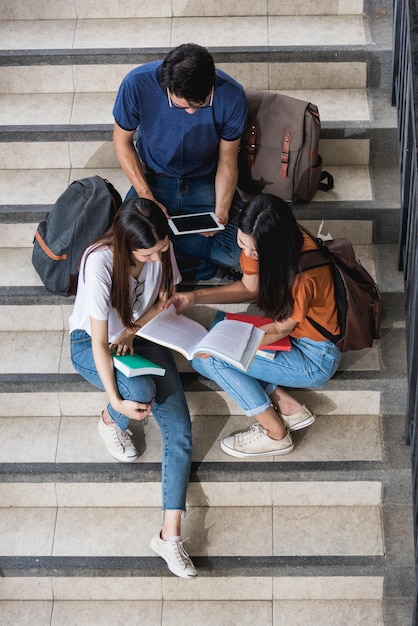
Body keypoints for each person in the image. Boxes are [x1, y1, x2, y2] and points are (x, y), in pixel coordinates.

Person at [69, 197, 197, 578]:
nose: (159, 258)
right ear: (128, 246)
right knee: (138, 392)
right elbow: (96, 342)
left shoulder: (162, 247)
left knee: (181, 431)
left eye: (162, 249)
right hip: (93, 345)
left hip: (143, 335)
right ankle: (110, 422)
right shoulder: (101, 261)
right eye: (151, 252)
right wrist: (115, 402)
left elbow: (161, 300)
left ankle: (169, 536)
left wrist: (133, 329)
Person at [166, 194, 342, 458]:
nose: (247, 254)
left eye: (255, 252)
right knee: (202, 358)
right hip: (292, 336)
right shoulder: (259, 241)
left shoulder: (304, 273)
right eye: (242, 243)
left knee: (212, 360)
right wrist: (195, 297)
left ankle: (275, 434)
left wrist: (227, 346)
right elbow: (250, 287)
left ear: (276, 245)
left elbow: (281, 328)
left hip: (315, 357)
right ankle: (288, 406)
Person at [112, 42, 248, 281]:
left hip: (206, 181)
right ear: (167, 87)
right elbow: (122, 142)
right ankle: (192, 259)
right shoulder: (136, 83)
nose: (192, 112)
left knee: (240, 253)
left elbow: (228, 158)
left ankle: (167, 252)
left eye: (201, 104)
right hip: (154, 179)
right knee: (125, 248)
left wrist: (221, 212)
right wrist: (146, 195)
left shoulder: (231, 94)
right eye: (181, 104)